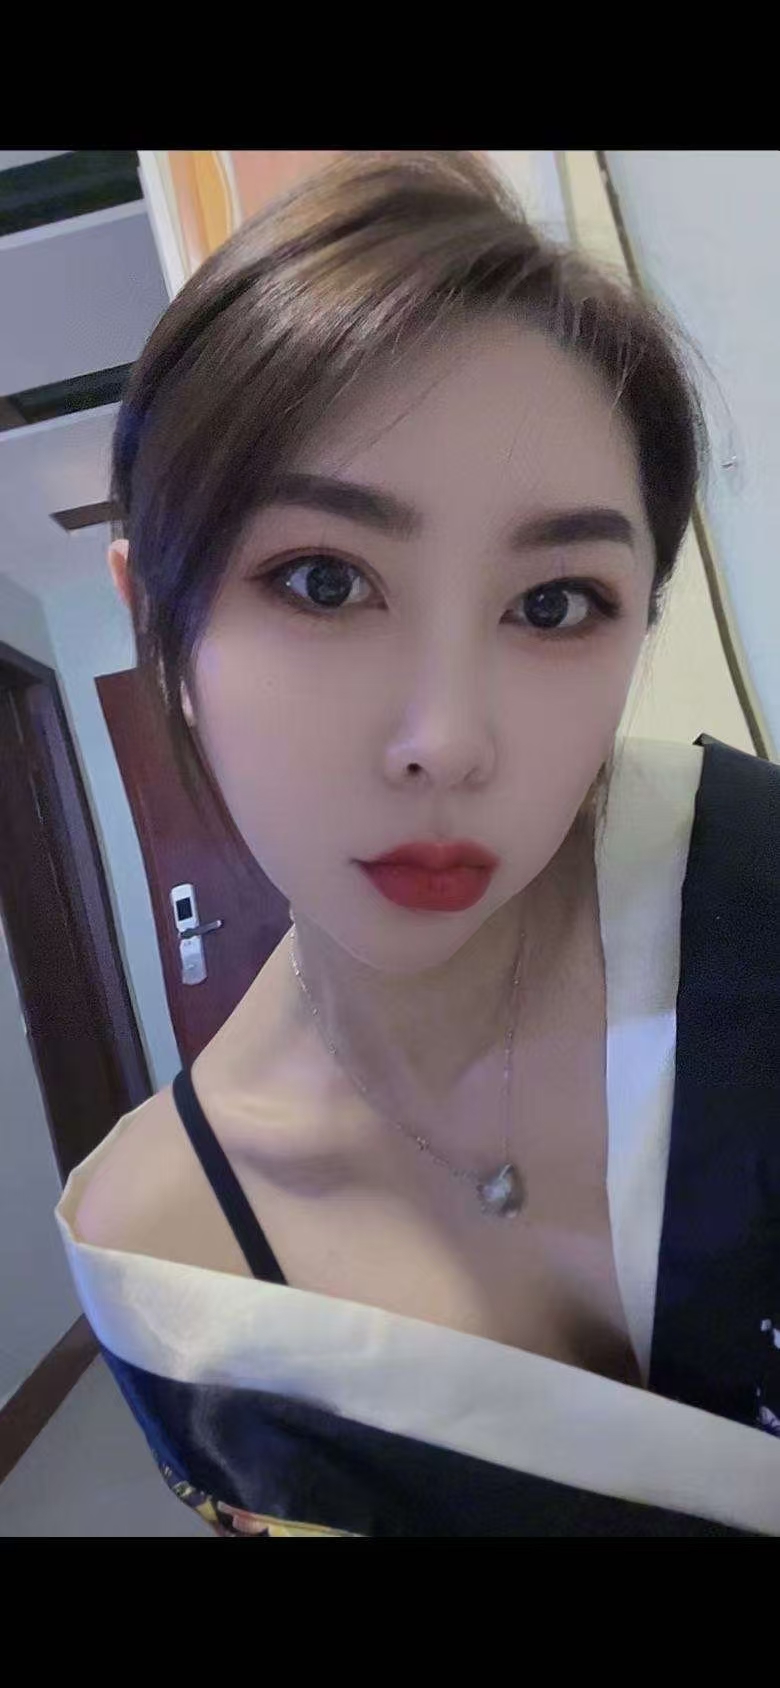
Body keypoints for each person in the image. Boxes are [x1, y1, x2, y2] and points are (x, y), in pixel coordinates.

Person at [55, 151, 780, 1537]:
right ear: (160, 626)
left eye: (555, 604)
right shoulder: (180, 1269)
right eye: (323, 580)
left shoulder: (753, 891)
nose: (446, 743)